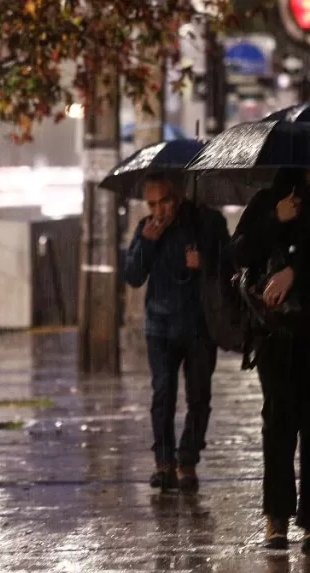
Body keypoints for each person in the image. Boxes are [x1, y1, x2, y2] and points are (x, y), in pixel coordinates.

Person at [231, 168, 310, 552]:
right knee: (279, 423)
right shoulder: (269, 202)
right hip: (276, 334)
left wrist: (296, 272)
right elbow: (239, 252)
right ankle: (277, 518)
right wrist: (276, 219)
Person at [123, 172, 230, 494]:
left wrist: (205, 262)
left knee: (199, 396)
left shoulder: (207, 222)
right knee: (163, 393)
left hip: (199, 325)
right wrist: (147, 242)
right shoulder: (148, 229)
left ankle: (188, 460)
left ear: (179, 196)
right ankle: (164, 462)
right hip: (160, 326)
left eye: (164, 202)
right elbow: (133, 276)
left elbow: (231, 264)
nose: (159, 211)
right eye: (152, 204)